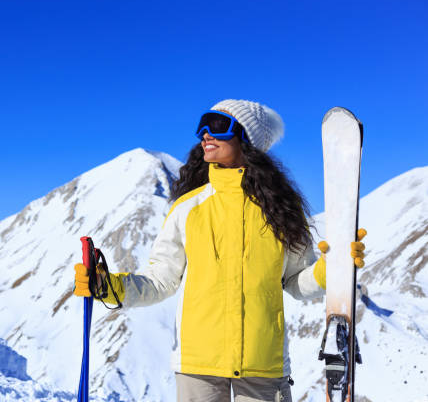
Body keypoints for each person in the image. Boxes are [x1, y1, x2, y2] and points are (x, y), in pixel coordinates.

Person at [73, 99, 366, 402]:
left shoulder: (281, 211)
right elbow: (161, 280)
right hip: (198, 367)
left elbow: (295, 283)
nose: (205, 135)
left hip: (263, 366)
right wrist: (109, 286)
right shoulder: (188, 208)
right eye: (202, 126)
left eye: (216, 125)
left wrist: (330, 269)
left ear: (247, 139)